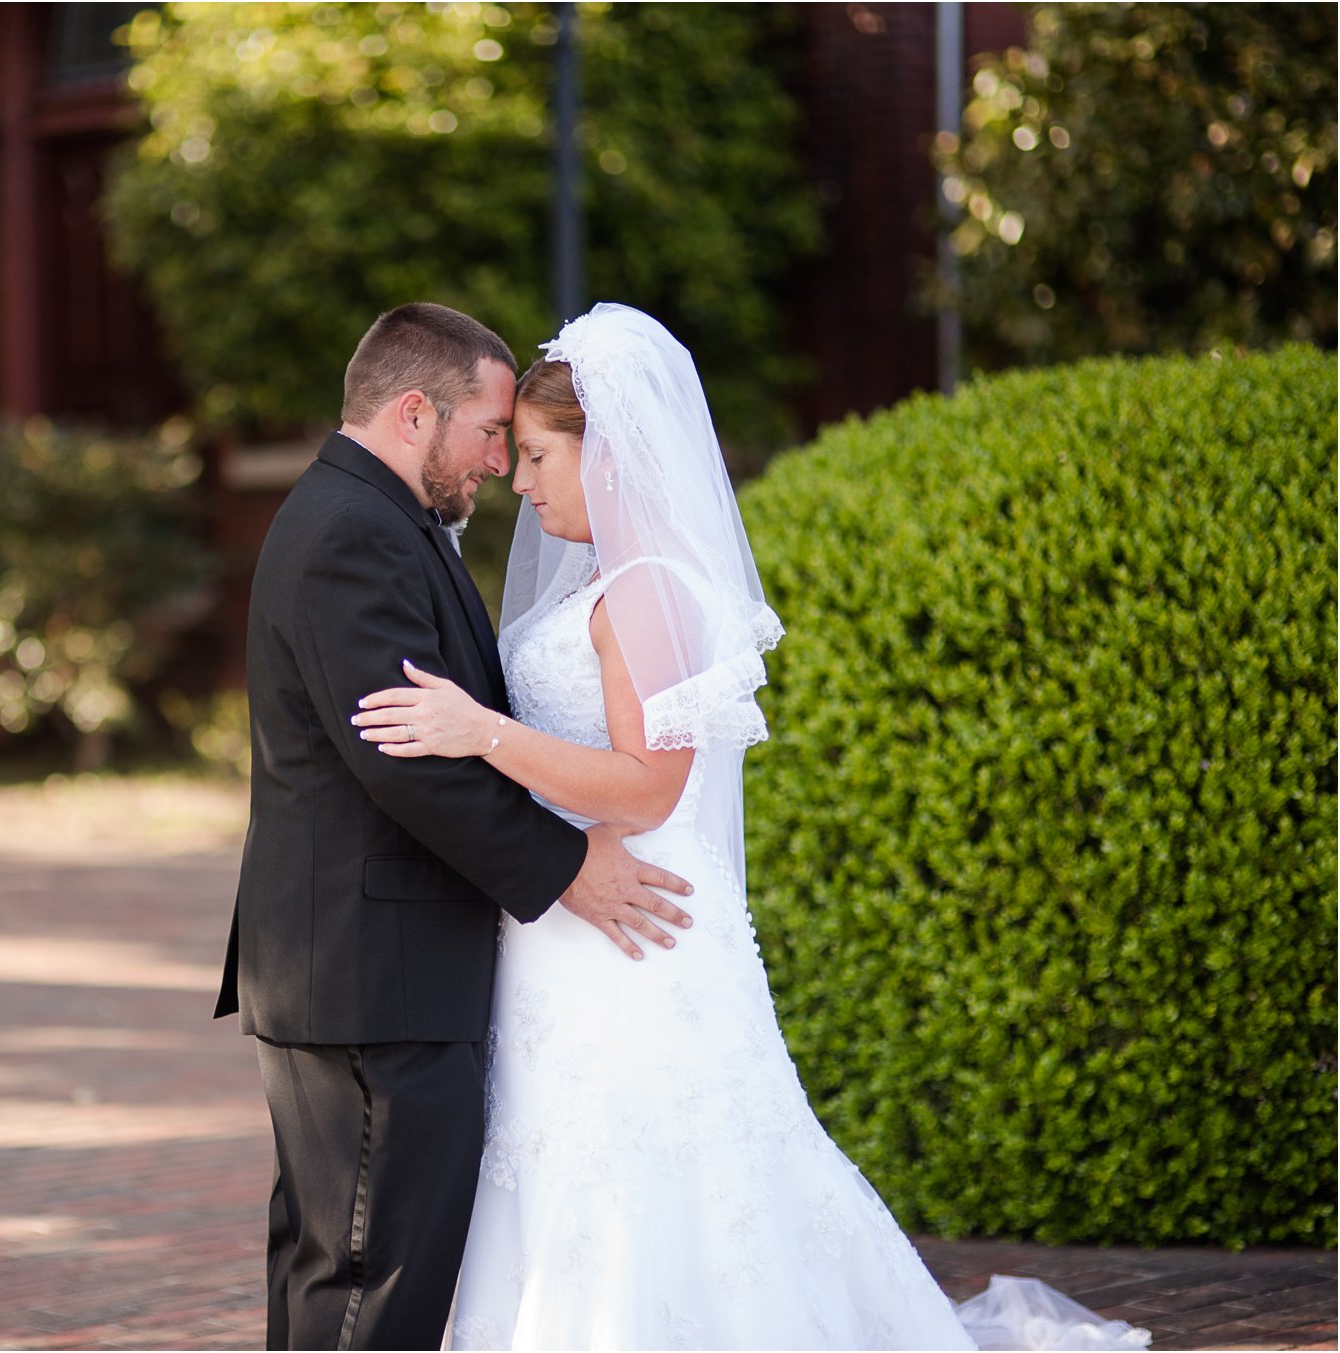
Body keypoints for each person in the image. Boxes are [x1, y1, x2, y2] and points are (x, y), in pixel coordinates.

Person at [353, 303, 1151, 1352]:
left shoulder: (644, 593)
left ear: (609, 458)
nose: (518, 476)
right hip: (569, 924)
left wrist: (478, 732)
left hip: (635, 926)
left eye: (540, 453)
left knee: (649, 1164)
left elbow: (646, 788)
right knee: (562, 1159)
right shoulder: (600, 587)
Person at [215, 302, 704, 1351]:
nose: (499, 464)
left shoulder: (373, 518)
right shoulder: (352, 532)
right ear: (409, 413)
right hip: (369, 974)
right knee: (368, 1277)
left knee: (336, 1266)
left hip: (365, 966)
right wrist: (567, 863)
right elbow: (408, 764)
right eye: (489, 434)